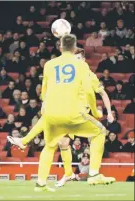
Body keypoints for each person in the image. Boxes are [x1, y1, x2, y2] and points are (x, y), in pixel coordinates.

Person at [8, 35, 115, 188]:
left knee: (53, 144)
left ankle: (42, 182)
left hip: (54, 114)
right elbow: (92, 94)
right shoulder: (82, 68)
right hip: (74, 114)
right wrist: (96, 112)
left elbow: (44, 91)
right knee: (99, 132)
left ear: (60, 47)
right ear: (73, 49)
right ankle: (92, 174)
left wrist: (45, 103)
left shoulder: (50, 65)